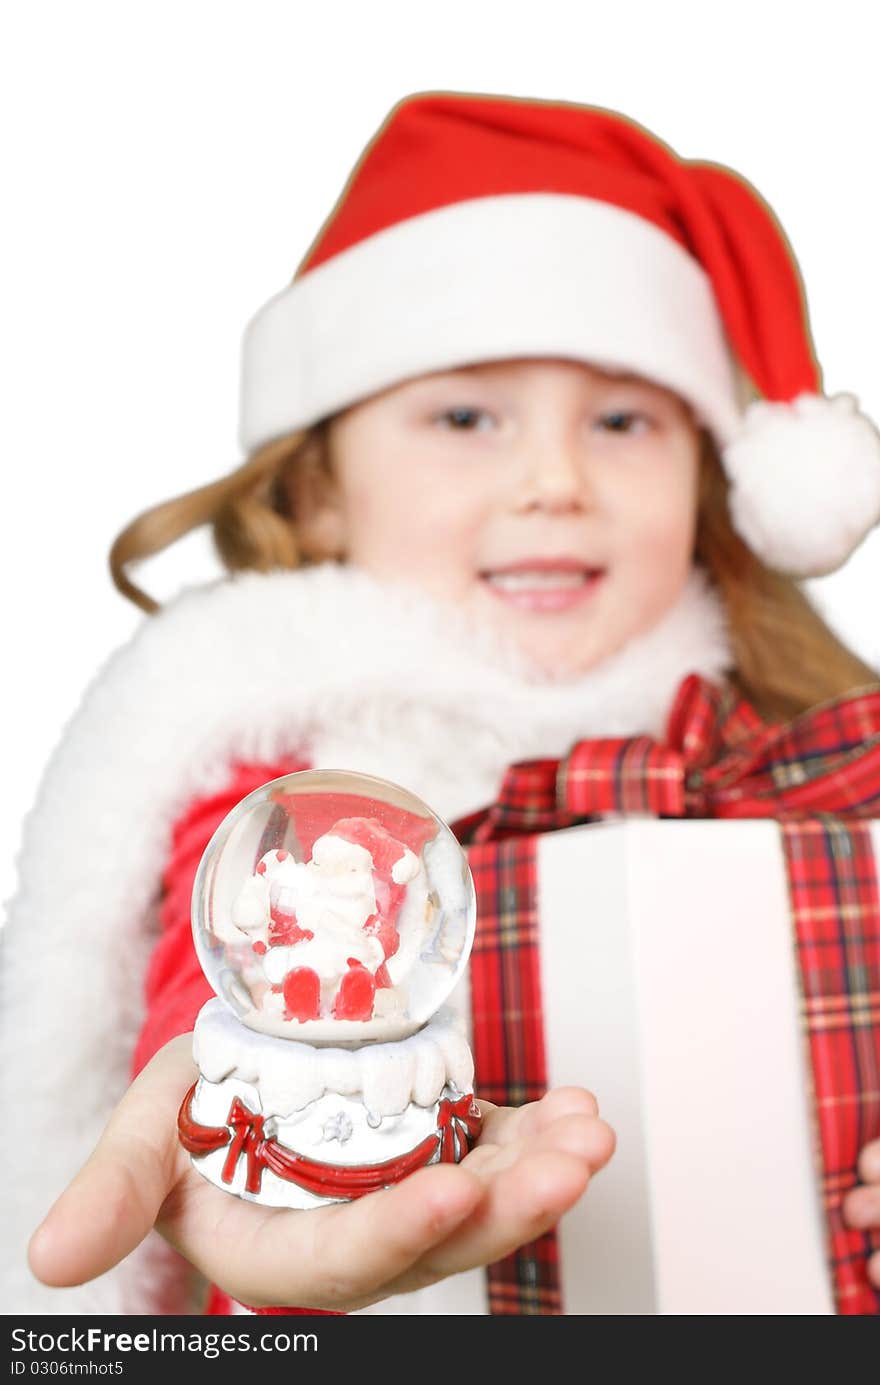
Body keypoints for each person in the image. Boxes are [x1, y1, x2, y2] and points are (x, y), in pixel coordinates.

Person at [4, 89, 880, 1316]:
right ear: (316, 488)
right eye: (466, 414)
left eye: (622, 418)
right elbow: (220, 995)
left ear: (709, 477)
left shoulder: (819, 770)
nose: (554, 481)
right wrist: (257, 1130)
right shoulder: (280, 791)